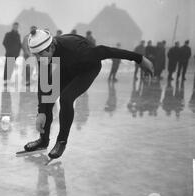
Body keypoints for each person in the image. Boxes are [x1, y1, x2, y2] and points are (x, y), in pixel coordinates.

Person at [23, 29, 154, 159]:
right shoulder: (44, 55)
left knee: (66, 98)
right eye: (36, 56)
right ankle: (43, 140)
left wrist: (140, 59)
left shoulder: (78, 50)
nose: (39, 59)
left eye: (40, 54)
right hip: (65, 67)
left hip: (87, 68)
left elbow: (106, 51)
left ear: (51, 47)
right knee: (47, 99)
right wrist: (41, 112)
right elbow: (44, 84)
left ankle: (61, 141)